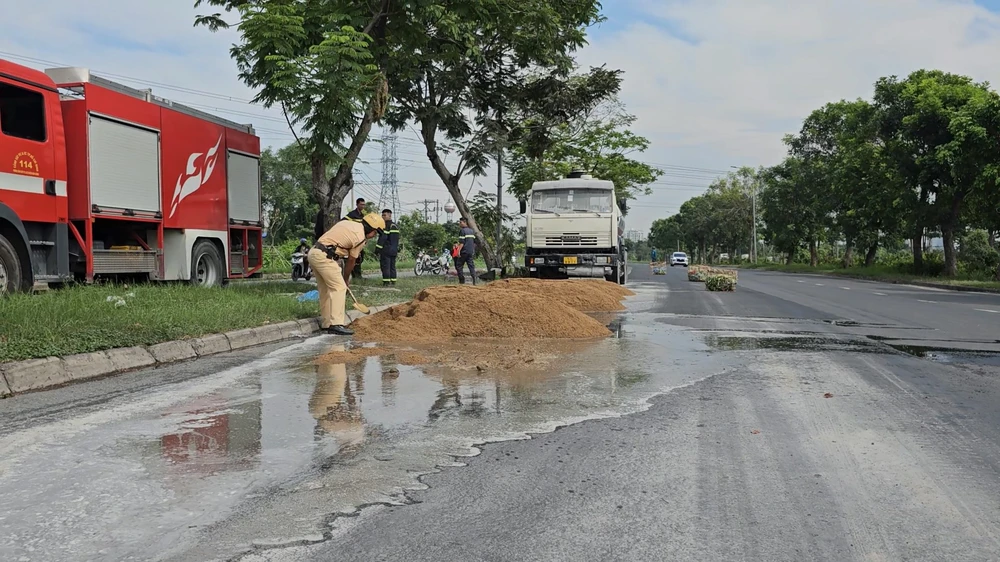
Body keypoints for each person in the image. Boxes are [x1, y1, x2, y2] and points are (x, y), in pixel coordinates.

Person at [309, 213, 385, 336]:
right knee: (339, 287)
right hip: (325, 257)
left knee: (325, 289)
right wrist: (345, 279)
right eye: (375, 233)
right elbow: (351, 260)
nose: (374, 236)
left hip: (314, 253)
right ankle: (336, 324)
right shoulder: (360, 238)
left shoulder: (347, 223)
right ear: (371, 229)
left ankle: (327, 323)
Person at [375, 209, 400, 286]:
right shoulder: (395, 225)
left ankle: (386, 282)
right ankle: (393, 281)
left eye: (384, 215)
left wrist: (377, 249)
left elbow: (383, 238)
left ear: (390, 215)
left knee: (385, 266)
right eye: (382, 215)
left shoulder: (386, 226)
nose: (383, 217)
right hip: (394, 250)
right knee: (392, 266)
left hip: (386, 250)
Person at [344, 198, 367, 280]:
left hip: (360, 239)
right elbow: (343, 222)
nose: (363, 206)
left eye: (364, 204)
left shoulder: (362, 215)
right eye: (361, 204)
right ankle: (354, 275)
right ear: (357, 204)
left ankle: (357, 275)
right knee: (354, 257)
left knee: (360, 257)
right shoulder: (352, 214)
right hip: (353, 239)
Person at [455, 217, 477, 285]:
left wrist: (458, 251)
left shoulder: (462, 231)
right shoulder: (471, 231)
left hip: (464, 252)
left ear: (465, 222)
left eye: (461, 222)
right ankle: (474, 280)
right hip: (470, 252)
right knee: (471, 266)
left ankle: (462, 280)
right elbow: (474, 242)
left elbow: (462, 243)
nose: (460, 224)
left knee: (459, 265)